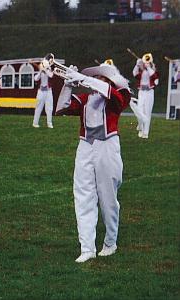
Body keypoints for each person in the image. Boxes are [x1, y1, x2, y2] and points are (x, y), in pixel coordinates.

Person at [55, 64, 131, 263]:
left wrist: (84, 78)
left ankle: (110, 242)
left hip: (107, 146)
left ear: (111, 81)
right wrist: (68, 84)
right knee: (83, 195)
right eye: (98, 78)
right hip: (85, 147)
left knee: (108, 198)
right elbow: (61, 107)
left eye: (103, 78)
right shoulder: (86, 100)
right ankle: (87, 248)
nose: (100, 81)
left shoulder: (119, 96)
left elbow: (108, 92)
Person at [132, 53, 159, 139]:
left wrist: (148, 67)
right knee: (140, 111)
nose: (146, 63)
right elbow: (134, 74)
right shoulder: (141, 71)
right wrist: (137, 65)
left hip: (149, 92)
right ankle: (140, 129)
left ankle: (145, 132)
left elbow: (154, 76)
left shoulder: (153, 70)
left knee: (147, 112)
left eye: (148, 61)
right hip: (141, 92)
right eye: (145, 61)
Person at [32, 61, 54, 128]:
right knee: (38, 107)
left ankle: (49, 123)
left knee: (49, 108)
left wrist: (46, 70)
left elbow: (51, 75)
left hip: (48, 91)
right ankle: (35, 123)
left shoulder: (50, 71)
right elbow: (35, 79)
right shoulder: (40, 72)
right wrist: (40, 72)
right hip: (41, 92)